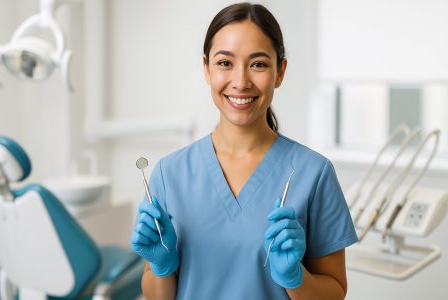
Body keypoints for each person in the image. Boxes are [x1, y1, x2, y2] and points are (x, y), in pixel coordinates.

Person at [131, 3, 357, 299]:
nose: (240, 82)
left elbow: (335, 291)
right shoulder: (169, 174)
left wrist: (294, 277)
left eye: (258, 64)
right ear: (206, 69)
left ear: (280, 71)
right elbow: (157, 295)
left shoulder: (314, 174)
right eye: (225, 63)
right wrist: (162, 267)